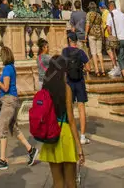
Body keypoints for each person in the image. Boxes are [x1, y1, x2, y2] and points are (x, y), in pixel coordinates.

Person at [39, 55, 84, 187]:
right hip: (64, 133)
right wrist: (79, 146)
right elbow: (70, 119)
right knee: (71, 181)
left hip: (50, 133)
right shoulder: (66, 88)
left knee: (57, 181)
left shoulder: (45, 88)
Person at [0, 46, 37, 170]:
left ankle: (2, 160)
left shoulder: (6, 69)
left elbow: (5, 88)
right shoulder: (12, 68)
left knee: (2, 129)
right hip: (13, 99)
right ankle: (31, 149)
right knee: (12, 127)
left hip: (8, 101)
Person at [61, 31, 89, 144]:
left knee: (69, 108)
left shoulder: (65, 51)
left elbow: (62, 66)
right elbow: (89, 67)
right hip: (80, 81)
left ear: (68, 40)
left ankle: (71, 133)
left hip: (69, 82)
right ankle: (82, 136)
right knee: (81, 107)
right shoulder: (81, 52)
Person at [108, 2, 124, 87]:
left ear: (110, 7)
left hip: (117, 40)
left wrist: (111, 37)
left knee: (121, 60)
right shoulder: (123, 15)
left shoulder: (110, 15)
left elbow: (108, 28)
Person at [85, 2, 104, 76]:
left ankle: (97, 70)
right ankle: (102, 70)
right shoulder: (99, 15)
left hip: (91, 35)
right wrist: (102, 36)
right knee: (99, 53)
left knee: (93, 53)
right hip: (99, 34)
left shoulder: (88, 14)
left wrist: (86, 35)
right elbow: (102, 26)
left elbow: (87, 25)